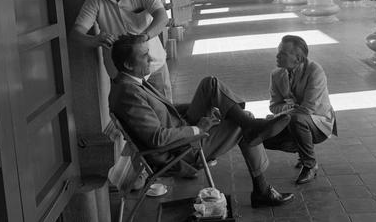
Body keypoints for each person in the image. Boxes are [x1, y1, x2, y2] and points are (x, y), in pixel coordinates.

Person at [109, 34, 295, 207]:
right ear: (128, 64)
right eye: (144, 55)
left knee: (210, 84)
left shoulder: (129, 82)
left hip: (179, 128)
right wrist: (198, 129)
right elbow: (157, 139)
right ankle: (261, 187)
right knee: (243, 122)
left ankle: (251, 127)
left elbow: (160, 112)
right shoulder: (128, 93)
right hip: (181, 149)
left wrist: (205, 107)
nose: (150, 59)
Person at [71, 0, 172, 99]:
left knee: (167, 115)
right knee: (133, 118)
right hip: (123, 76)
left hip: (153, 64)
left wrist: (145, 36)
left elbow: (162, 17)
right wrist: (94, 40)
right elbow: (76, 34)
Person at [263, 35, 337, 184]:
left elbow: (308, 109)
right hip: (293, 118)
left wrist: (282, 114)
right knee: (261, 135)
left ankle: (310, 165)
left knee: (296, 120)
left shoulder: (315, 71)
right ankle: (303, 150)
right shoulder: (276, 74)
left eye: (283, 53)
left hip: (319, 122)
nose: (277, 56)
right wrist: (290, 107)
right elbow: (273, 106)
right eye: (278, 51)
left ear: (298, 59)